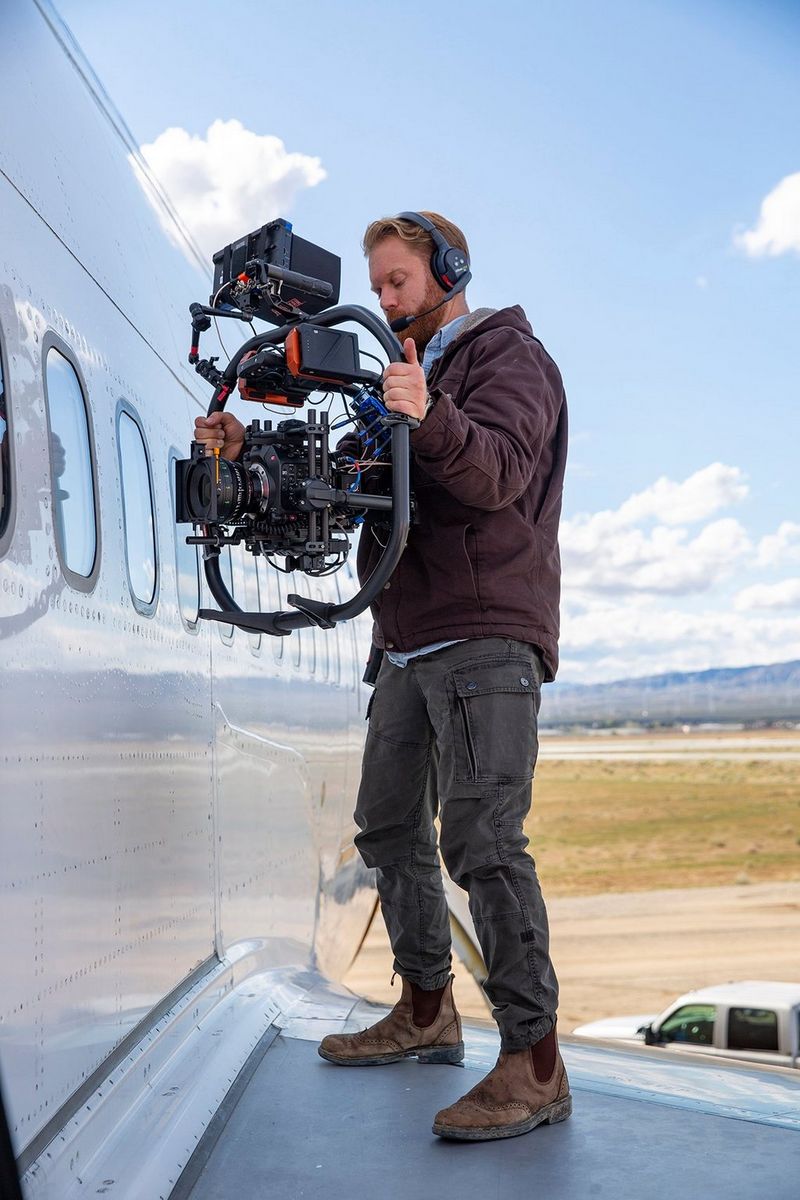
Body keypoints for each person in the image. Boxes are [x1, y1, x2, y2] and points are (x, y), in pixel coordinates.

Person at [194, 211, 570, 1142]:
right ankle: (428, 1010)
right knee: (389, 824)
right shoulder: (410, 378)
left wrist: (428, 413)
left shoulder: (509, 359)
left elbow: (497, 475)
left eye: (398, 281)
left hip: (484, 632)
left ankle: (537, 1063)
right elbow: (361, 476)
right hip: (406, 636)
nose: (385, 300)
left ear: (448, 272)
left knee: (481, 838)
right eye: (380, 283)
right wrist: (253, 462)